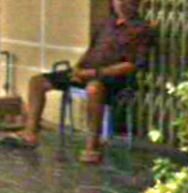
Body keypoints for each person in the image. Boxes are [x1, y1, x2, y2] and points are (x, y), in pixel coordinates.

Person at [4, 0, 152, 163]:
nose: (121, 4)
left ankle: (92, 146)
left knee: (94, 89)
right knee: (38, 82)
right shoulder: (108, 23)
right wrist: (77, 68)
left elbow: (131, 65)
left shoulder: (141, 29)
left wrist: (95, 73)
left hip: (111, 77)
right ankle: (30, 133)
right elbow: (91, 49)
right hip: (87, 70)